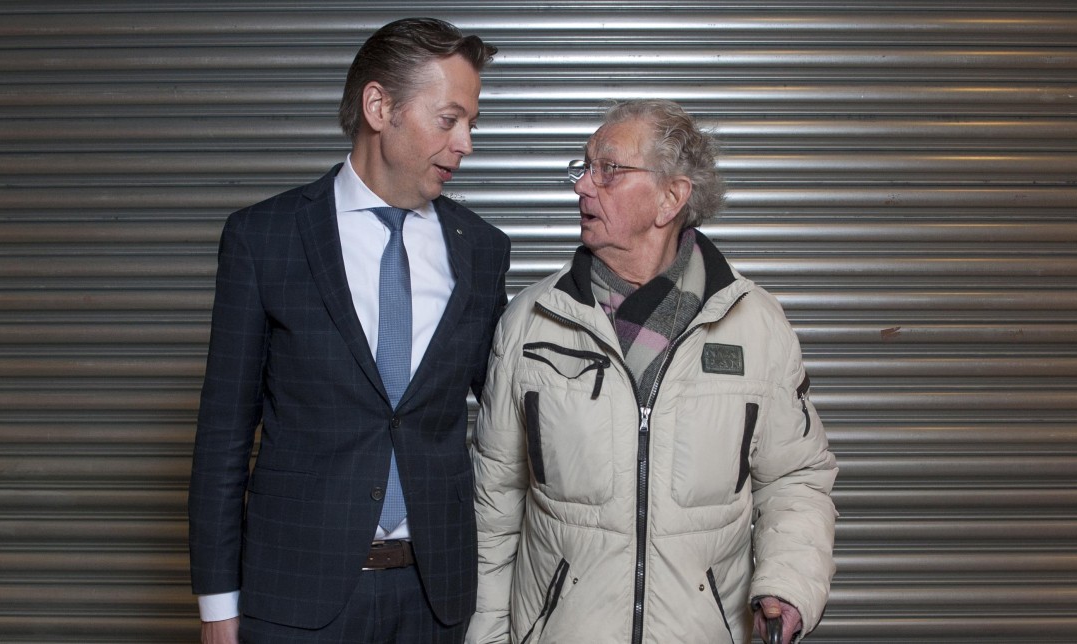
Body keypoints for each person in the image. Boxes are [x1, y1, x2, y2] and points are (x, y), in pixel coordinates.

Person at [465, 99, 837, 644]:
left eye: (608, 170)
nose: (583, 186)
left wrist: (787, 583)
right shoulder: (530, 321)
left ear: (671, 198)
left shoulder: (754, 324)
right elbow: (494, 505)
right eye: (584, 167)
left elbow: (795, 479)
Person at [188, 17, 510, 644]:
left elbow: (509, 413)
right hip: (293, 601)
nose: (466, 142)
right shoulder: (265, 238)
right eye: (448, 120)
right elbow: (223, 434)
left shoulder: (482, 250)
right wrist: (217, 606)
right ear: (378, 106)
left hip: (436, 600)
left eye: (471, 122)